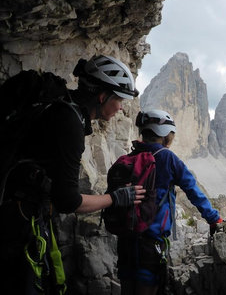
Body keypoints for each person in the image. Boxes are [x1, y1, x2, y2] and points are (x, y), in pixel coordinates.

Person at [0, 55, 146, 294]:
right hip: (18, 224)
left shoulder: (61, 106)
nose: (120, 107)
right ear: (102, 96)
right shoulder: (70, 122)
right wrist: (117, 198)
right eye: (118, 99)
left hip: (14, 209)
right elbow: (68, 200)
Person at [116, 109, 223, 295]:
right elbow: (192, 190)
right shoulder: (167, 157)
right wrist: (214, 219)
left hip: (125, 239)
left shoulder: (129, 158)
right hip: (151, 242)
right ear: (166, 135)